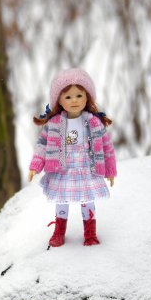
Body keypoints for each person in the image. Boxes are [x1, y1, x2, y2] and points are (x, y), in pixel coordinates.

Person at [28, 68, 117, 247]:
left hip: (86, 169)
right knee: (62, 200)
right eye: (68, 97)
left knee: (87, 200)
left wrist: (110, 170)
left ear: (87, 98)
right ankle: (59, 231)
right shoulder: (53, 124)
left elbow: (107, 147)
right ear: (59, 100)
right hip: (63, 170)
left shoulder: (94, 122)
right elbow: (42, 145)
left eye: (79, 95)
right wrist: (35, 166)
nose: (74, 100)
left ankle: (90, 233)